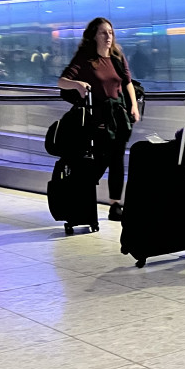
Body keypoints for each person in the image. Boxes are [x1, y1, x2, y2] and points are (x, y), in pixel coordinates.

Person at [57, 18, 142, 221]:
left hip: (119, 117)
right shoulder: (86, 58)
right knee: (102, 159)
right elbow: (62, 82)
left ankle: (115, 205)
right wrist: (77, 84)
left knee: (118, 160)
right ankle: (81, 196)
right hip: (98, 118)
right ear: (94, 36)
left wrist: (134, 106)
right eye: (103, 33)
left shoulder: (117, 57)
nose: (108, 36)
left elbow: (128, 83)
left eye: (110, 32)